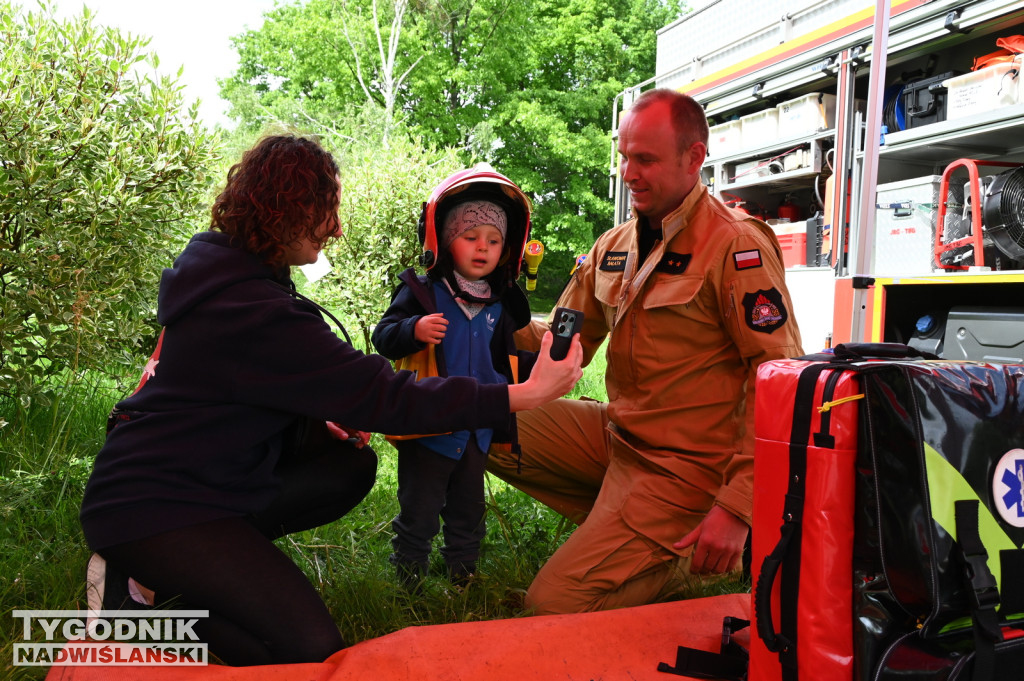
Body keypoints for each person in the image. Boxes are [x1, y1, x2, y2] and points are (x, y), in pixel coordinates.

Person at [79, 136, 583, 666]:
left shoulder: (235, 275)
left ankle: (182, 571)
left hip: (206, 484)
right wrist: (523, 394)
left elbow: (236, 390)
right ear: (288, 211)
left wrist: (314, 419)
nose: (336, 228)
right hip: (151, 507)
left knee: (348, 466)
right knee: (306, 649)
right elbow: (387, 397)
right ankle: (128, 606)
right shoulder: (251, 307)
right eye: (327, 212)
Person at [487, 88, 804, 615]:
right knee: (482, 423)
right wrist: (480, 311)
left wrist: (738, 506)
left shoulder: (735, 246)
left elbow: (777, 375)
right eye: (625, 158)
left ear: (693, 158)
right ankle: (622, 526)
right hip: (618, 438)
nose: (629, 173)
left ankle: (676, 551)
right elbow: (564, 341)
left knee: (553, 606)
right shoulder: (615, 245)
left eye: (646, 159)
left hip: (686, 470)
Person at [372, 167, 536, 589]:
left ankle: (463, 580)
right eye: (470, 237)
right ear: (444, 240)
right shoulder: (424, 291)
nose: (483, 248)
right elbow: (383, 337)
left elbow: (508, 358)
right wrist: (413, 330)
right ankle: (408, 583)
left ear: (507, 249)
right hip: (429, 424)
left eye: (494, 241)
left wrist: (542, 365)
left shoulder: (503, 302)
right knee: (420, 510)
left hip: (476, 427)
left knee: (468, 509)